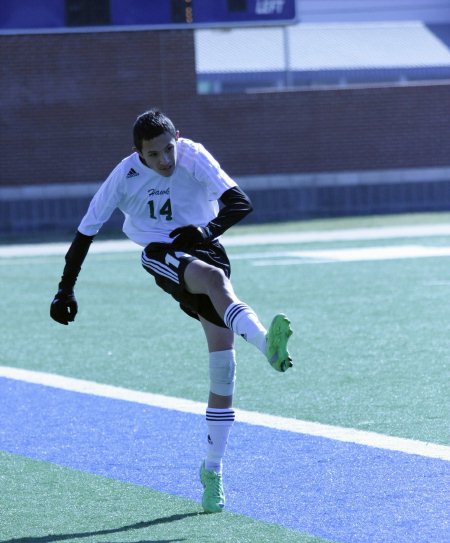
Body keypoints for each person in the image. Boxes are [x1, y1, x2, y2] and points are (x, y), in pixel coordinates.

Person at [50, 109, 293, 513]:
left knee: (224, 368)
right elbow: (86, 230)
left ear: (177, 137)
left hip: (205, 246)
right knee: (214, 281)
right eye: (154, 155)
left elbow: (239, 202)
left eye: (168, 149)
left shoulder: (193, 155)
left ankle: (212, 471)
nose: (165, 160)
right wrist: (65, 288)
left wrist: (204, 231)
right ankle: (267, 342)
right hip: (161, 253)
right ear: (138, 155)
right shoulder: (124, 175)